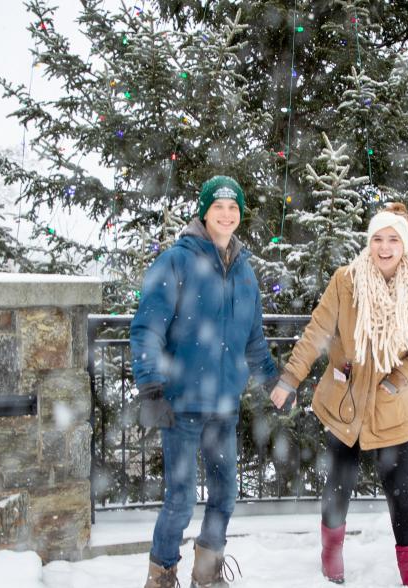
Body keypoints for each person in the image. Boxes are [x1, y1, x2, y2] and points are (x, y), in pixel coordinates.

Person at [269, 202, 408, 588]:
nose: (384, 247)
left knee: (401, 493)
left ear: (405, 244)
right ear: (369, 242)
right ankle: (331, 558)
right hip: (344, 403)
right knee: (339, 485)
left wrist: (400, 378)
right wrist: (290, 379)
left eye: (393, 239)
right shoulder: (346, 281)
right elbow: (317, 332)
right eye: (378, 239)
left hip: (389, 408)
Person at [132, 175, 280, 588]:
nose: (227, 214)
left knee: (225, 496)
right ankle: (161, 576)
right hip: (180, 404)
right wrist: (150, 388)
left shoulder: (246, 272)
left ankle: (207, 572)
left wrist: (272, 379)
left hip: (223, 406)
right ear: (204, 211)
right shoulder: (177, 261)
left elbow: (253, 338)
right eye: (219, 207)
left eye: (234, 208)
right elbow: (147, 328)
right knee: (179, 501)